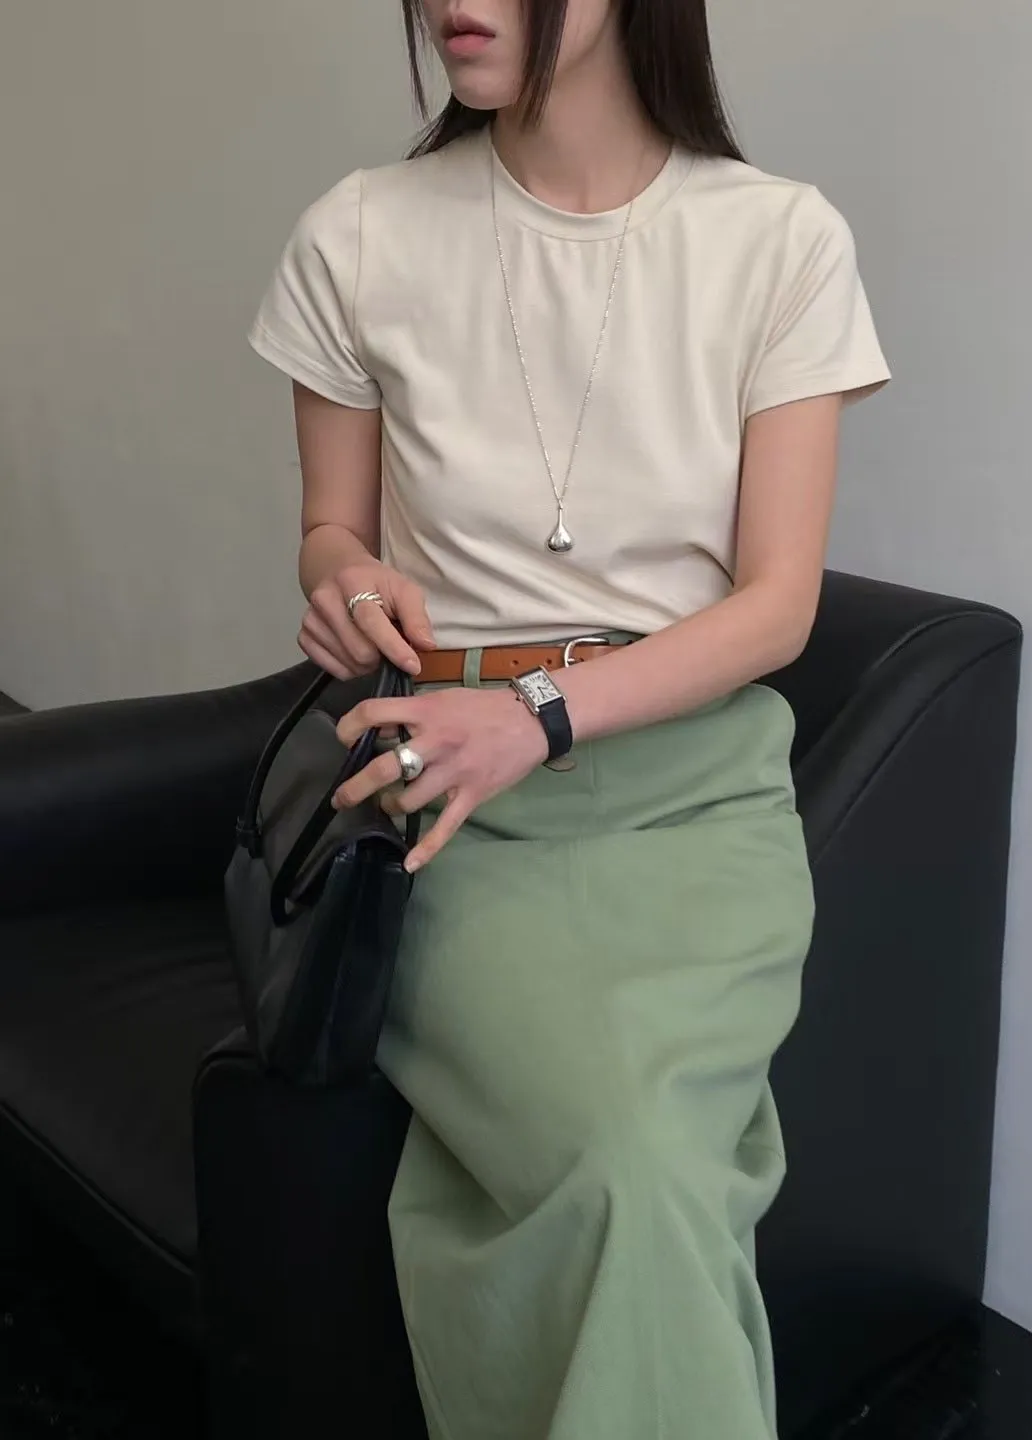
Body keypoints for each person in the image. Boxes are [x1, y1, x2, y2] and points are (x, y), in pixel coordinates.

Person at [249, 0, 890, 1434]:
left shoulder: (778, 239)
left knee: (645, 1172)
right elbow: (328, 530)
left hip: (693, 797)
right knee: (627, 1170)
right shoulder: (360, 234)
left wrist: (537, 714)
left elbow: (777, 607)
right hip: (446, 802)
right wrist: (346, 579)